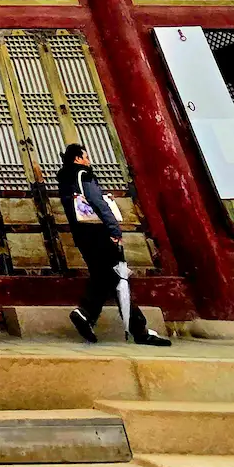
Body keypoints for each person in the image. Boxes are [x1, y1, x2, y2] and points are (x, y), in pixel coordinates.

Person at [58, 143, 171, 347]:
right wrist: (113, 229)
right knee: (118, 278)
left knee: (105, 277)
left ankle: (87, 315)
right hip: (98, 233)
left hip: (82, 236)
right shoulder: (83, 175)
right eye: (85, 156)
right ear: (77, 159)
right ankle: (136, 330)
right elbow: (97, 203)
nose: (88, 160)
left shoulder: (65, 181)